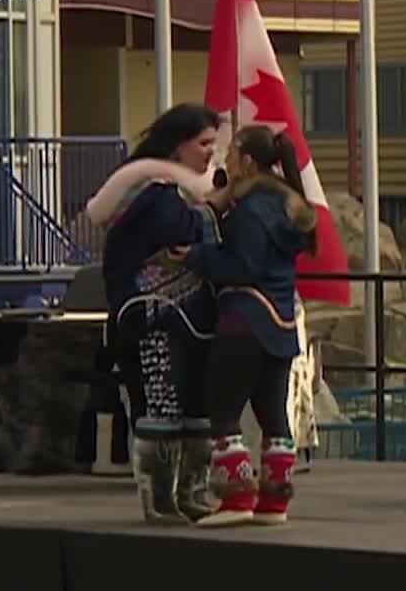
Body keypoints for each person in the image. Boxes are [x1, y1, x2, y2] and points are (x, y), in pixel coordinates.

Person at [175, 125, 319, 527]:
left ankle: (237, 498)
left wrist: (197, 257)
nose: (226, 159)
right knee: (273, 413)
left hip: (245, 317)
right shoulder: (285, 204)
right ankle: (274, 503)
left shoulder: (252, 211)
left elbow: (244, 266)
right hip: (282, 319)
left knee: (222, 409)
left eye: (232, 153)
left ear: (248, 161)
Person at [90, 102, 221, 524]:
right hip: (153, 320)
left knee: (196, 404)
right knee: (161, 406)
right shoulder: (154, 193)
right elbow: (176, 233)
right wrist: (215, 211)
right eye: (203, 144)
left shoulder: (172, 192)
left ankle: (191, 491)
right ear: (179, 146)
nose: (209, 153)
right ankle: (160, 498)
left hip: (190, 320)